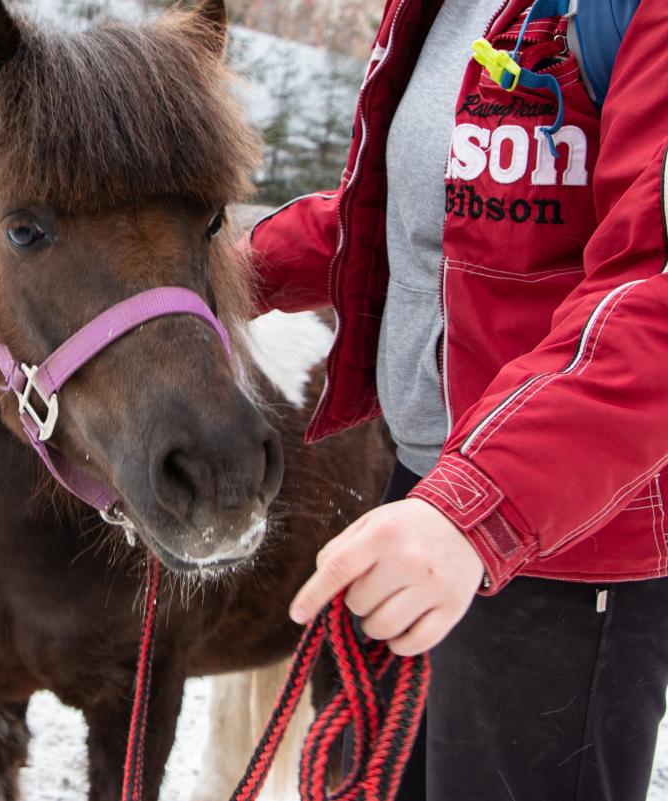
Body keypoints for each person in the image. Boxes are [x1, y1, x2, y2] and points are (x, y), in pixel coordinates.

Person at [247, 0, 668, 797]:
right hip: (427, 506)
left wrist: (470, 510)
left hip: (563, 546)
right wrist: (236, 272)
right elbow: (414, 214)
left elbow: (653, 293)